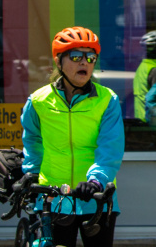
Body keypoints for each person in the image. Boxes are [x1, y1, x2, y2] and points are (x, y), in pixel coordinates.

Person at [19, 26, 124, 246]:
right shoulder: (38, 101)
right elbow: (33, 141)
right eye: (76, 56)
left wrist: (96, 181)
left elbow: (110, 149)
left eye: (90, 56)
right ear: (59, 61)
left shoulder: (107, 100)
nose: (84, 62)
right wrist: (31, 174)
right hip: (55, 198)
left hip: (96, 198)